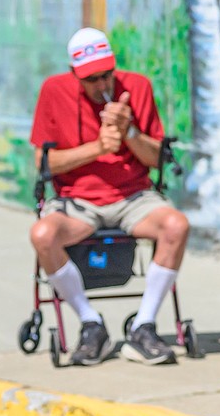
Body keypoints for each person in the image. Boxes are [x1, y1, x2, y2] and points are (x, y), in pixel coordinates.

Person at [29, 27, 189, 366]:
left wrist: (129, 131)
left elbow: (156, 159)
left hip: (134, 197)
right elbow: (44, 163)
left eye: (107, 75)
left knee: (176, 226)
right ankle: (91, 323)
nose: (102, 84)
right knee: (42, 235)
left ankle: (143, 327)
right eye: (92, 79)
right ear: (74, 74)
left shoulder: (137, 87)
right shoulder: (53, 91)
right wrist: (98, 148)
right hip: (77, 200)